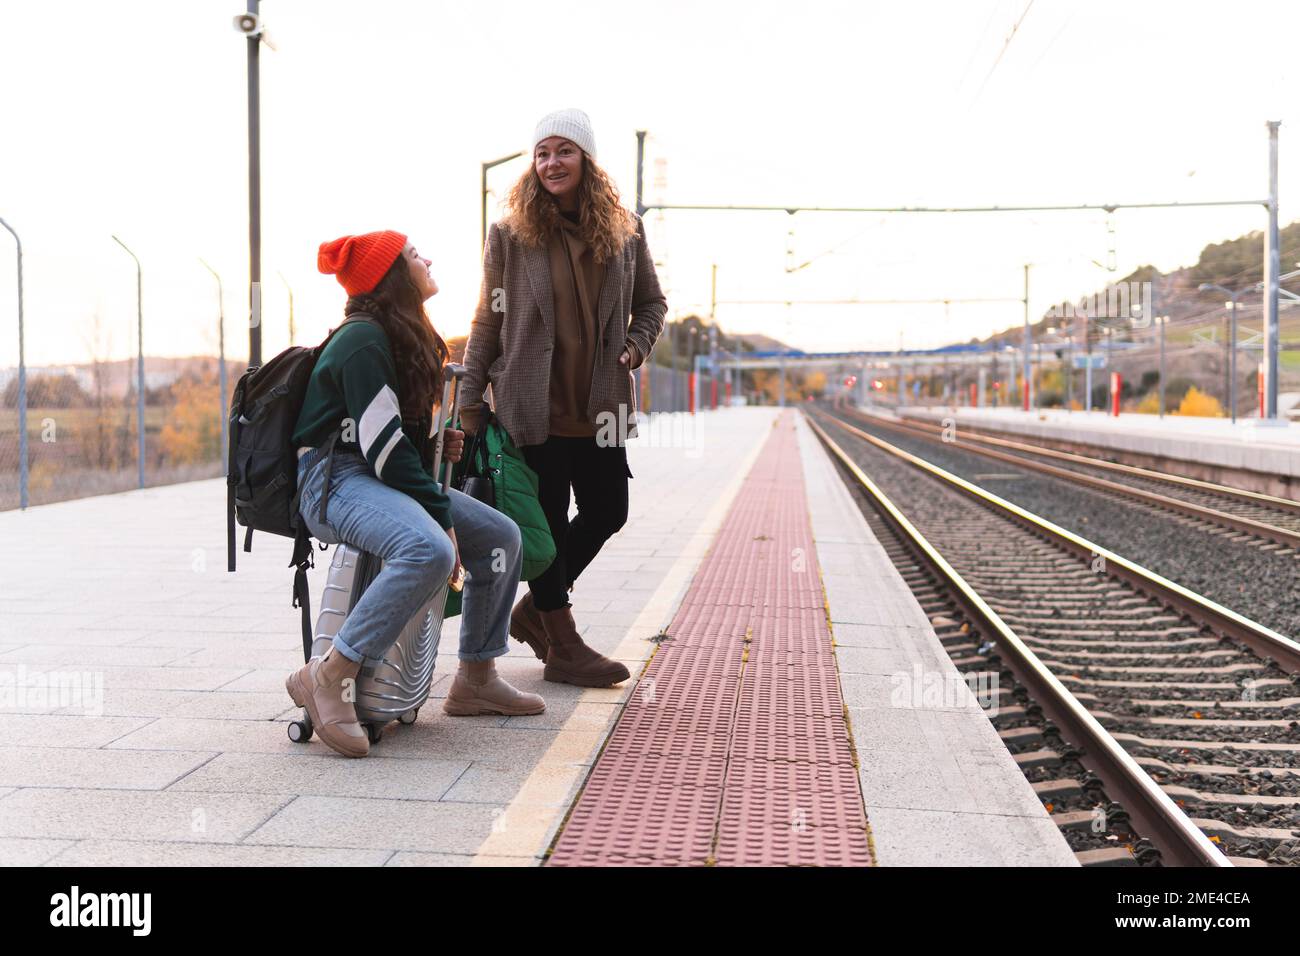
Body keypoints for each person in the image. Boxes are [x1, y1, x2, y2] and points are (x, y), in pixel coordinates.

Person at [286, 230, 544, 759]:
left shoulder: (399, 335)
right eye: (412, 255)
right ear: (391, 276)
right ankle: (331, 674)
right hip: (333, 481)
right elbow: (379, 448)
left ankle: (476, 676)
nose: (426, 258)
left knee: (501, 536)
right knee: (429, 548)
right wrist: (438, 515)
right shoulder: (361, 340)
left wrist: (431, 446)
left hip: (372, 474)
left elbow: (387, 436)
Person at [461, 109, 667, 687]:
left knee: (608, 510)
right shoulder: (509, 235)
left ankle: (534, 611)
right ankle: (564, 642)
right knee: (545, 524)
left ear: (587, 160)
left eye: (564, 151)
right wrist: (471, 399)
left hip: (601, 404)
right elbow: (487, 321)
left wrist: (634, 346)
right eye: (542, 153)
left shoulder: (625, 231)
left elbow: (652, 304)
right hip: (533, 405)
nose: (552, 162)